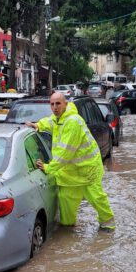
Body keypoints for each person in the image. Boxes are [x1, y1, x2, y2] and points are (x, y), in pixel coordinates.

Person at [26, 92, 115, 230]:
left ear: (65, 104)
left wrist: (48, 167)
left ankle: (108, 226)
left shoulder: (73, 121)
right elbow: (50, 122)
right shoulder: (59, 118)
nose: (55, 107)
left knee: (97, 198)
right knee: (66, 199)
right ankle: (68, 228)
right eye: (52, 104)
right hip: (71, 171)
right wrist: (37, 125)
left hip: (88, 169)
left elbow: (65, 153)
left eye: (58, 103)